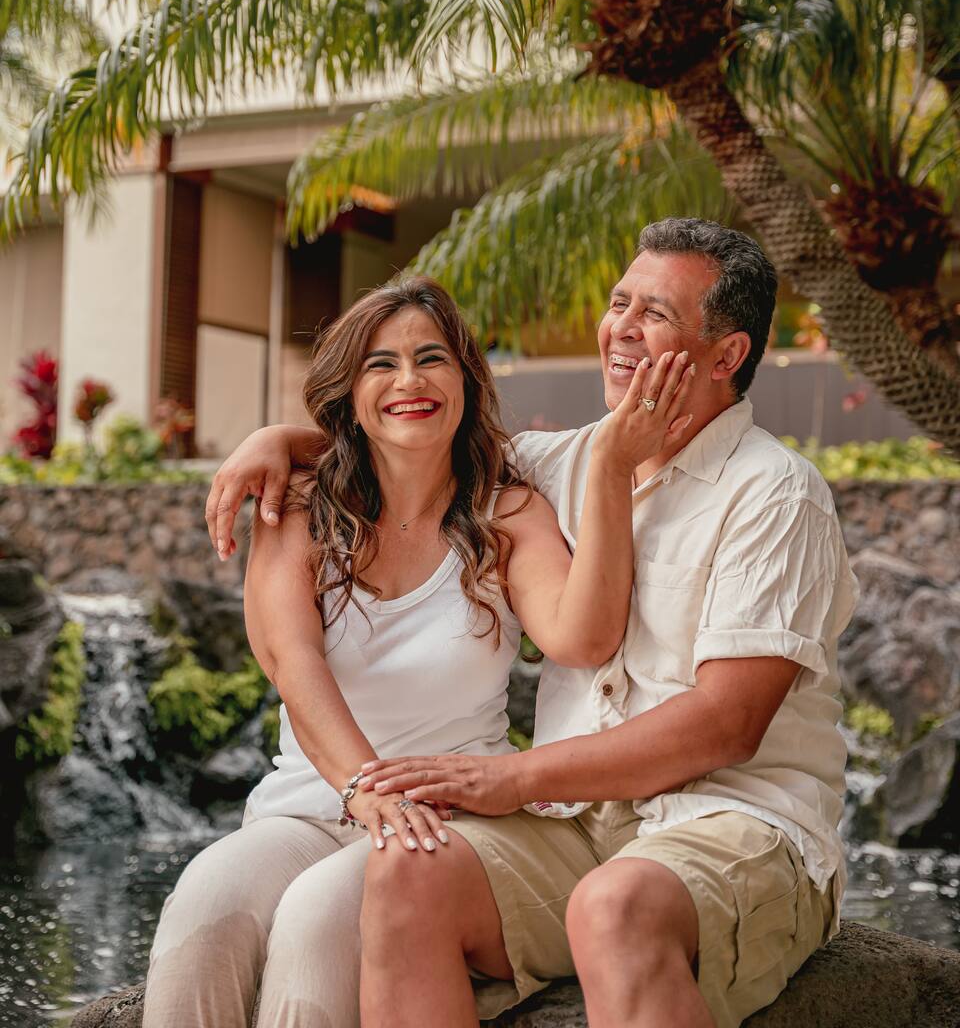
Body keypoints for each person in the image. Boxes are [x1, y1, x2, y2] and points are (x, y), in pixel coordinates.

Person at [209, 218, 859, 1028]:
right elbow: (410, 438)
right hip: (579, 826)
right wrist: (276, 440)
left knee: (613, 909)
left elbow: (726, 725)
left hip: (733, 818)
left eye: (652, 315)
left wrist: (509, 777)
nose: (620, 328)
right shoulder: (554, 464)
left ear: (726, 356)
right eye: (619, 303)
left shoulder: (776, 494)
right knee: (407, 868)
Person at [145, 276, 693, 1028]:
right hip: (311, 804)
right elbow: (291, 663)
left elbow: (583, 635)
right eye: (380, 364)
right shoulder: (298, 508)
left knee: (312, 925)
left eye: (431, 359)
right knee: (202, 905)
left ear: (465, 381)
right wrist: (362, 791)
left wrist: (608, 469)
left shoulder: (506, 512)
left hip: (443, 819)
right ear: (349, 389)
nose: (409, 381)